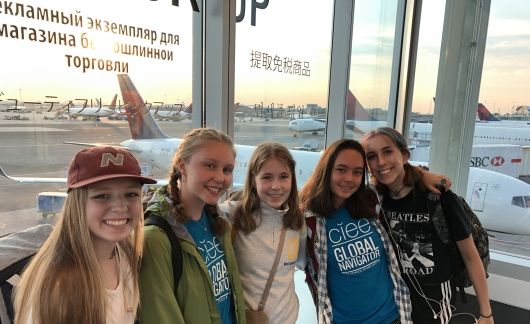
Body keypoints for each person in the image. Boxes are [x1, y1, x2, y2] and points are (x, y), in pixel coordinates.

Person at [362, 127, 493, 324]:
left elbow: (470, 255)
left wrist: (486, 314)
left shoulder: (439, 198)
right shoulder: (375, 200)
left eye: (388, 151)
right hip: (393, 297)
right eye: (371, 156)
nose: (380, 162)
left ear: (405, 155)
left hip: (435, 300)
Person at [14, 146, 157, 324]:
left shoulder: (124, 254)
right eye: (102, 196)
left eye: (131, 194)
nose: (120, 207)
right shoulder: (60, 286)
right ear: (78, 204)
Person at [138, 128, 246, 324]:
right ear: (183, 166)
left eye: (227, 169)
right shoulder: (156, 239)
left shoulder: (218, 221)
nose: (220, 177)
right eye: (210, 165)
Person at [300, 138, 412, 324]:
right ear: (326, 170)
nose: (349, 179)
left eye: (357, 172)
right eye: (341, 169)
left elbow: (401, 174)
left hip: (392, 317)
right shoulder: (308, 219)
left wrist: (428, 176)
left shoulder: (371, 200)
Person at [220, 142, 305, 324]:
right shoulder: (233, 215)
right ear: (253, 180)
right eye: (267, 177)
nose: (276, 186)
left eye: (283, 177)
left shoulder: (298, 222)